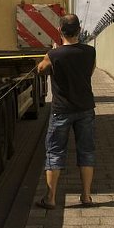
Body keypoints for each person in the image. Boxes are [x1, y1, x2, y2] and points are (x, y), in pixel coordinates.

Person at [35, 14, 96, 209]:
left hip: (61, 110)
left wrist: (51, 53)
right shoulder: (90, 52)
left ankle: (51, 198)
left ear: (60, 31)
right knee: (86, 150)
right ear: (79, 31)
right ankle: (86, 196)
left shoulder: (54, 55)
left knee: (54, 152)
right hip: (85, 108)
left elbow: (40, 69)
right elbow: (89, 72)